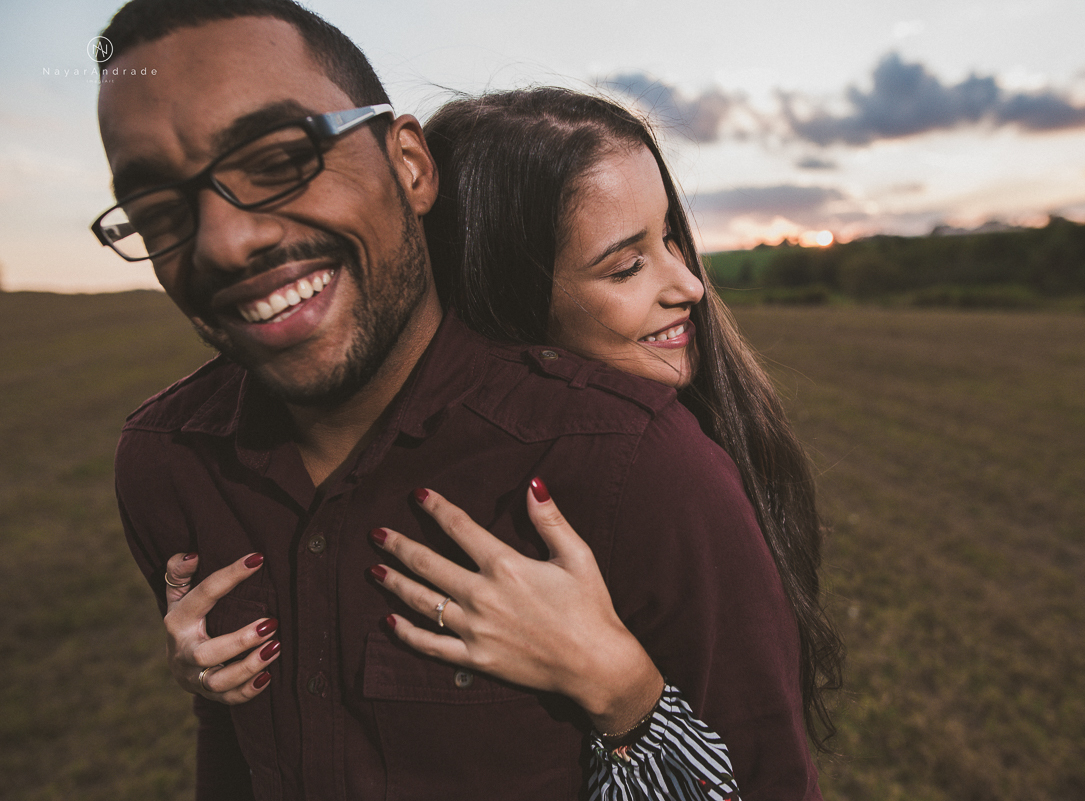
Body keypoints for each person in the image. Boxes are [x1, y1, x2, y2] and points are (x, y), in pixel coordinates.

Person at [97, 0, 827, 798]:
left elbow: (764, 776)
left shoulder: (638, 465)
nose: (225, 241)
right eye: (158, 210)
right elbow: (237, 750)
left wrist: (626, 696)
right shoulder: (165, 462)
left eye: (279, 160)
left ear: (409, 166)